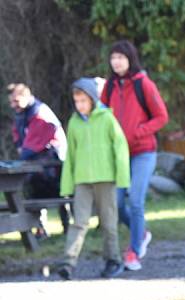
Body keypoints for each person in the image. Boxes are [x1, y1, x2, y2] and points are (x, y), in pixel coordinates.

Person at [100, 40, 168, 273]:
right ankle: (143, 233)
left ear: (130, 59)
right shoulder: (108, 87)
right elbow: (102, 118)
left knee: (136, 201)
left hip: (143, 151)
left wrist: (138, 131)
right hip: (118, 155)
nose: (116, 61)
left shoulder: (144, 84)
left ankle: (133, 251)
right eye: (113, 57)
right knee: (117, 204)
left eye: (120, 57)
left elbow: (161, 117)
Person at [56, 78, 130, 280]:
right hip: (82, 181)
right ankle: (68, 263)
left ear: (92, 99)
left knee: (108, 222)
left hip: (106, 179)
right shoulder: (73, 122)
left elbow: (120, 148)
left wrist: (122, 180)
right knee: (79, 223)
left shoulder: (107, 118)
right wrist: (67, 185)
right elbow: (70, 154)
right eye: (76, 101)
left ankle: (113, 260)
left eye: (83, 101)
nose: (79, 105)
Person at [7, 82, 69, 237]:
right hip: (37, 160)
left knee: (60, 194)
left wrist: (23, 155)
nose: (13, 105)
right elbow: (17, 133)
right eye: (11, 101)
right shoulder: (21, 113)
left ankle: (66, 227)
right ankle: (40, 229)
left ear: (26, 97)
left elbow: (35, 142)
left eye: (16, 100)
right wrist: (19, 146)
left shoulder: (39, 112)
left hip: (54, 161)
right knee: (31, 190)